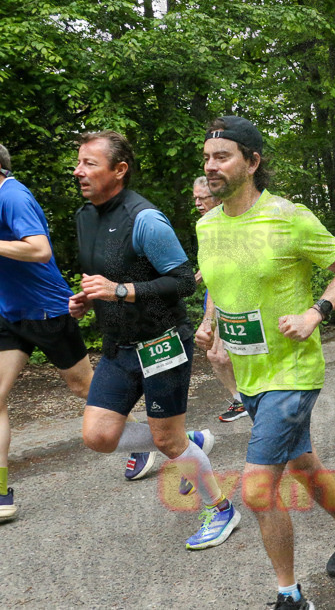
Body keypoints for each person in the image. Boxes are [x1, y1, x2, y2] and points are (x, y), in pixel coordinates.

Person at [195, 116, 335, 609]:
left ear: (251, 163)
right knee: (302, 463)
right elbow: (219, 281)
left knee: (256, 489)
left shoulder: (288, 217)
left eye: (222, 156)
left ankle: (290, 596)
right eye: (208, 156)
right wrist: (212, 323)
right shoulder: (206, 225)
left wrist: (317, 313)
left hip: (293, 371)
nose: (211, 165)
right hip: (250, 373)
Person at [70, 130, 240, 550]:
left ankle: (221, 509)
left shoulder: (145, 219)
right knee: (98, 435)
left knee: (165, 439)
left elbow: (182, 281)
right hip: (118, 346)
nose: (79, 172)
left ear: (119, 170)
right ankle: (189, 443)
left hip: (163, 344)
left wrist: (120, 291)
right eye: (79, 163)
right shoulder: (84, 217)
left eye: (90, 163)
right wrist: (89, 300)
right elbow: (104, 278)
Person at [0, 145, 97, 521]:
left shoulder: (13, 195)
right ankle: (2, 491)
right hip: (9, 314)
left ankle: (162, 441)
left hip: (46, 309)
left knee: (85, 388)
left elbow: (39, 250)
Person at [192, 176, 247, 423]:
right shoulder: (206, 226)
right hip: (216, 294)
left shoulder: (234, 221)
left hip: (237, 296)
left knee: (222, 355)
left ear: (217, 197)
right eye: (194, 199)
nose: (198, 204)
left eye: (202, 198)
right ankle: (242, 399)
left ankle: (250, 400)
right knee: (217, 355)